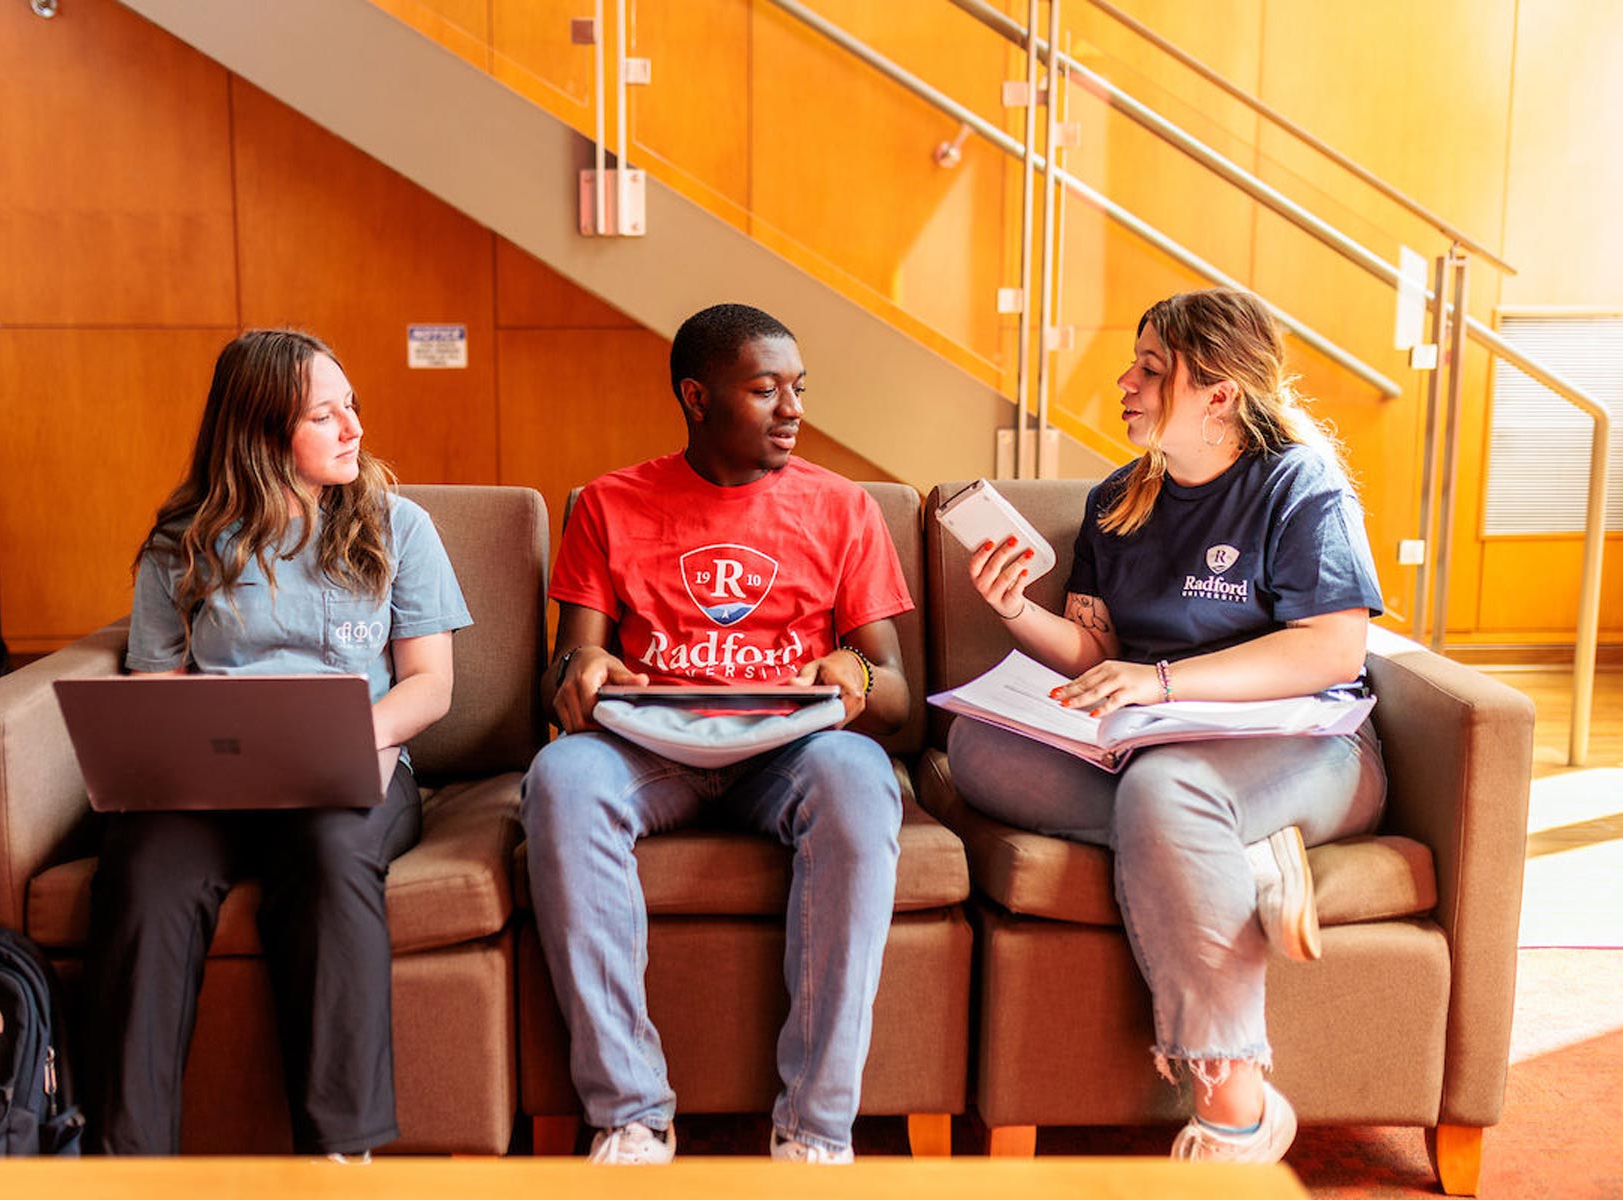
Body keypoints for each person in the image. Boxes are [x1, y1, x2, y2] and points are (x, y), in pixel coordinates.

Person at [947, 288, 1387, 1164]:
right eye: (1134, 364)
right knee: (977, 747)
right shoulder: (1122, 498)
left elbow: (1333, 651)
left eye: (1153, 368)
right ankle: (1236, 849)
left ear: (1219, 394)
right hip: (1154, 745)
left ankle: (1237, 1110)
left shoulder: (1300, 485)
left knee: (1164, 789)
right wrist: (1017, 614)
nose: (1127, 381)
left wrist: (1159, 683)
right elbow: (1092, 646)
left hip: (1303, 746)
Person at [522, 303, 912, 1165]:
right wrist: (581, 678)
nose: (792, 410)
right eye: (765, 390)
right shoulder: (608, 504)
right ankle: (631, 1116)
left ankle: (814, 1129)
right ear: (697, 398)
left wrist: (858, 674)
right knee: (561, 778)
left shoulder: (843, 508)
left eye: (798, 389)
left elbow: (898, 699)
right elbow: (563, 682)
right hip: (649, 748)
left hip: (790, 752)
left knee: (859, 774)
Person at [83, 329, 471, 1158]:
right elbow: (157, 689)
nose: (352, 428)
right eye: (323, 415)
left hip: (356, 764)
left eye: (351, 406)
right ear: (261, 434)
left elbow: (430, 685)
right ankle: (126, 1160)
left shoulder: (397, 525)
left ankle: (341, 1151)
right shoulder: (182, 542)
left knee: (330, 858)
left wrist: (346, 737)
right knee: (144, 870)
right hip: (215, 781)